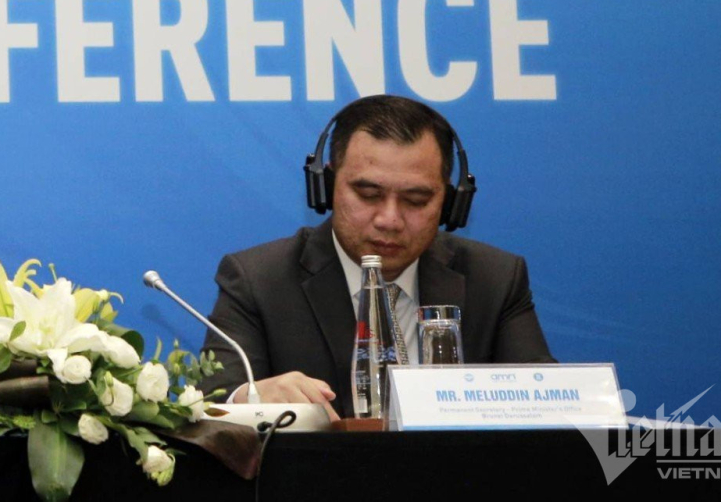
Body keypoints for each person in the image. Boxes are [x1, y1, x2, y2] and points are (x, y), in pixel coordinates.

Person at [200, 95, 553, 417]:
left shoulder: (495, 279)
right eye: (368, 194)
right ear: (326, 188)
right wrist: (249, 397)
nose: (390, 220)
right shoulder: (258, 280)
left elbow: (548, 407)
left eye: (416, 200)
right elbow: (212, 405)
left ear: (451, 203)